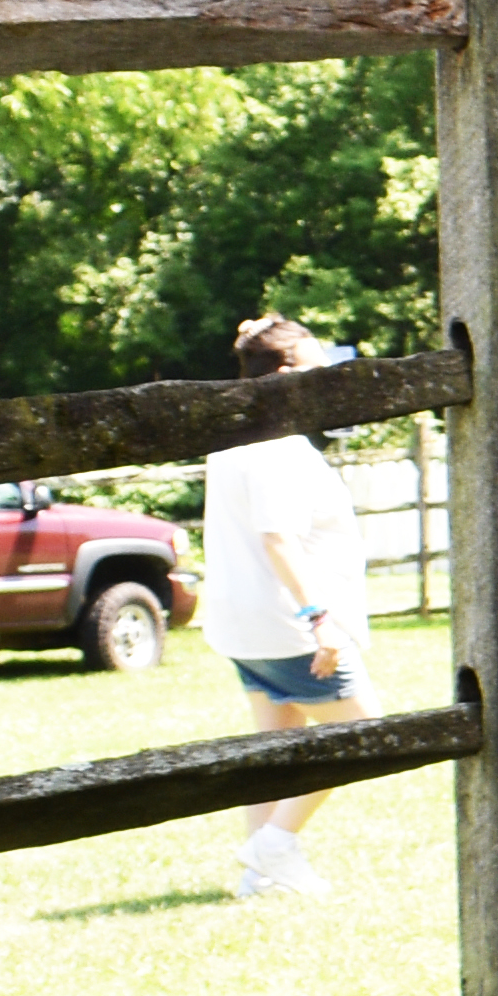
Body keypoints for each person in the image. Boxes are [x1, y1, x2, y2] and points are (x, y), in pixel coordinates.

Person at [206, 314, 380, 900]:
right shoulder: (277, 447)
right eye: (315, 362)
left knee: (275, 747)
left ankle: (260, 875)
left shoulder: (232, 438)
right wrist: (320, 619)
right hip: (289, 625)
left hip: (242, 623)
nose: (327, 373)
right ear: (286, 375)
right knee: (365, 732)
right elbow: (276, 538)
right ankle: (275, 844)